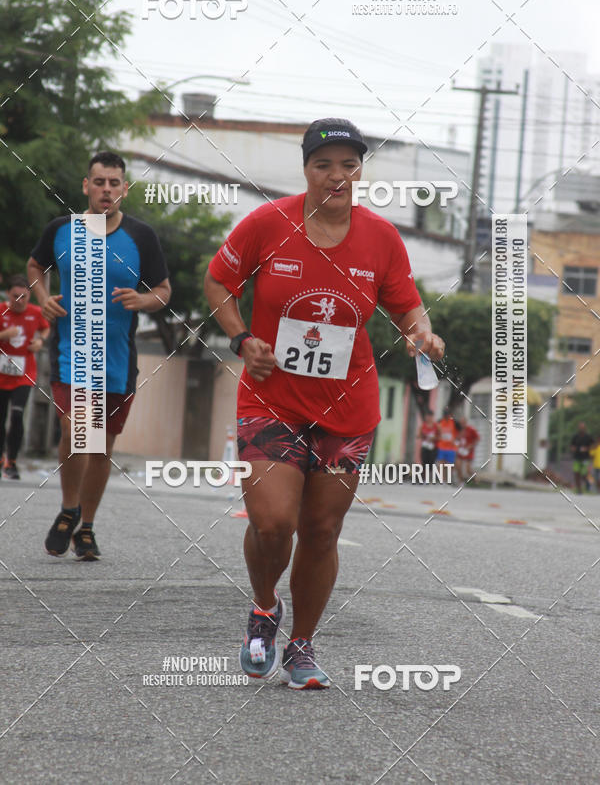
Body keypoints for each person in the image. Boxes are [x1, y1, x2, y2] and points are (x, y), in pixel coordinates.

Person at [204, 118, 445, 689]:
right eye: (323, 165)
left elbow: (409, 307)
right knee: (273, 522)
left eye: (348, 165)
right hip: (272, 400)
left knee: (320, 530)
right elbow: (218, 282)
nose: (336, 176)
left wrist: (422, 334)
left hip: (347, 409)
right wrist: (242, 339)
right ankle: (264, 609)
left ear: (360, 170)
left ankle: (302, 645)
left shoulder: (381, 238)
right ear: (306, 169)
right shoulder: (268, 223)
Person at [27, 151, 171, 560]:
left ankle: (85, 527)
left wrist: (143, 299)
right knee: (77, 427)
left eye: (114, 183)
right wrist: (42, 299)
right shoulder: (62, 229)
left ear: (124, 189)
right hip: (72, 350)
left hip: (118, 359)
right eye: (99, 182)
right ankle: (69, 507)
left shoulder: (142, 237)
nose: (106, 189)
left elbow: (164, 291)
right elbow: (35, 266)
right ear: (86, 186)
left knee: (101, 447)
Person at [0, 274, 50, 479]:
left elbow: (45, 328)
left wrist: (40, 342)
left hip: (24, 374)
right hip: (2, 373)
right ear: (8, 295)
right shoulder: (1, 311)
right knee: (1, 418)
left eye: (24, 297)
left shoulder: (36, 312)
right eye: (15, 297)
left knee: (18, 414)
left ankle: (11, 461)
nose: (19, 302)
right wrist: (4, 336)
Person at [570, 421, 593, 495]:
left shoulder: (588, 437)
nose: (581, 429)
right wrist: (573, 448)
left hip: (585, 458)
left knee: (584, 474)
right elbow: (572, 445)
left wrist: (586, 449)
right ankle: (579, 490)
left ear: (585, 428)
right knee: (576, 473)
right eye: (580, 427)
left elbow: (593, 446)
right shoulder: (575, 436)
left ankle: (588, 483)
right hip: (577, 458)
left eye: (582, 427)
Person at [455, 416, 480, 485]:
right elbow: (455, 439)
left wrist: (471, 446)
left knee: (468, 469)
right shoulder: (457, 430)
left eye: (463, 423)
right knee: (458, 465)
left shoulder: (471, 429)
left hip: (468, 451)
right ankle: (460, 481)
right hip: (460, 450)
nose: (462, 424)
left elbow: (477, 439)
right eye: (461, 423)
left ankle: (475, 479)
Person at [436, 407, 457, 484]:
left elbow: (461, 431)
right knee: (441, 464)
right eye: (445, 414)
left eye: (448, 414)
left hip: (451, 447)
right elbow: (436, 432)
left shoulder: (454, 422)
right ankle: (441, 480)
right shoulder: (440, 422)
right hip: (441, 446)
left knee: (449, 465)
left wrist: (457, 440)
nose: (447, 415)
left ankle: (448, 480)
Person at [418, 410, 438, 479]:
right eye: (428, 416)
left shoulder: (436, 426)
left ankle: (430, 478)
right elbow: (418, 435)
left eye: (430, 416)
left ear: (432, 417)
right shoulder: (423, 425)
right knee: (424, 462)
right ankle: (423, 479)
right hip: (425, 446)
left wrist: (433, 438)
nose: (429, 418)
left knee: (431, 463)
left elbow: (440, 436)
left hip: (432, 447)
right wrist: (423, 436)